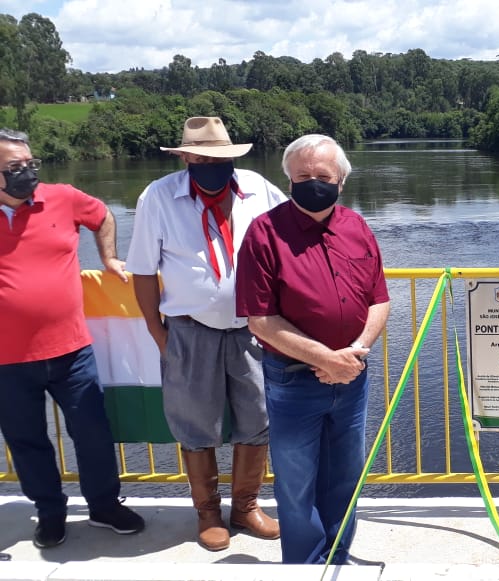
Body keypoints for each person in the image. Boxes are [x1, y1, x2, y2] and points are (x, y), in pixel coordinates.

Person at [125, 117, 285, 551]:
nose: (208, 164)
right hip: (189, 330)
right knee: (196, 424)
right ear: (186, 158)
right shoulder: (158, 196)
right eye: (199, 157)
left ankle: (247, 507)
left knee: (258, 418)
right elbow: (142, 270)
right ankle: (208, 513)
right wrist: (159, 335)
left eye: (217, 158)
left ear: (231, 157)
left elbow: (289, 241)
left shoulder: (258, 189)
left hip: (253, 329)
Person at [236, 134, 390, 565]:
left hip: (353, 375)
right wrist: (325, 359)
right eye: (303, 175)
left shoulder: (357, 227)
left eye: (322, 176)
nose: (313, 183)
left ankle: (337, 557)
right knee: (297, 482)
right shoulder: (265, 234)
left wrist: (354, 352)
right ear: (288, 179)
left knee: (345, 476)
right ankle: (304, 566)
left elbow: (380, 299)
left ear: (341, 181)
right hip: (293, 378)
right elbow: (260, 319)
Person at [0, 128, 145, 548]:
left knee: (93, 431)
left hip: (72, 349)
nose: (27, 173)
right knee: (27, 442)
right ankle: (49, 513)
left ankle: (103, 506)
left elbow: (102, 215)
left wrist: (109, 257)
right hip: (7, 360)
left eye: (31, 165)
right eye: (15, 168)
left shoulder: (62, 197)